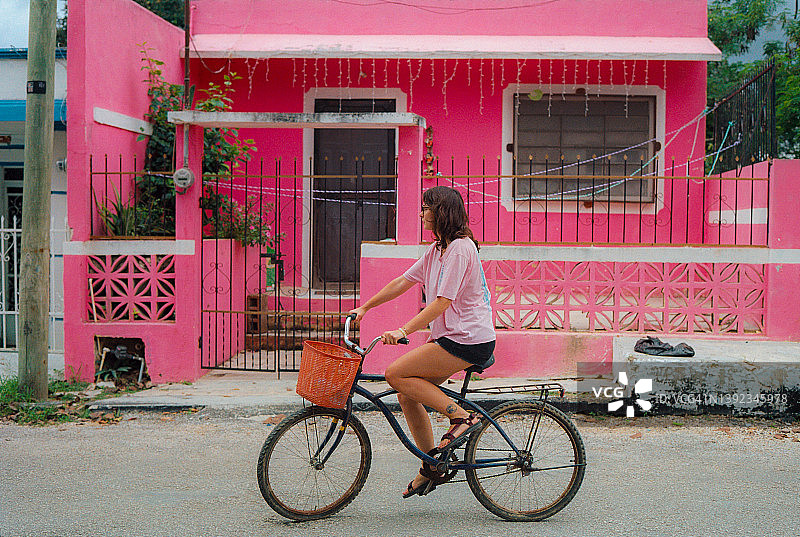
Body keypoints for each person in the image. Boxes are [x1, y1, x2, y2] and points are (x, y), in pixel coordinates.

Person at [349, 185, 496, 498]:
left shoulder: (460, 248)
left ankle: (459, 416)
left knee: (395, 374)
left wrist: (404, 330)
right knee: (407, 394)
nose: (421, 214)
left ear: (441, 212)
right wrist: (365, 307)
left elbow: (442, 302)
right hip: (452, 337)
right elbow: (403, 281)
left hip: (468, 339)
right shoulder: (438, 250)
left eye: (426, 208)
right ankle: (432, 466)